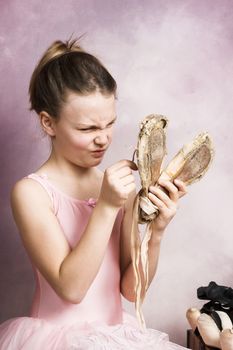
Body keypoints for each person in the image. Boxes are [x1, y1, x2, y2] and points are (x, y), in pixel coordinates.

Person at [0, 38, 188, 349]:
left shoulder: (118, 188)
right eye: (87, 129)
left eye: (110, 124)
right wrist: (106, 206)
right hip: (56, 340)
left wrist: (155, 232)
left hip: (117, 336)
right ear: (48, 122)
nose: (102, 140)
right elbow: (71, 289)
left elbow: (132, 292)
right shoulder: (32, 193)